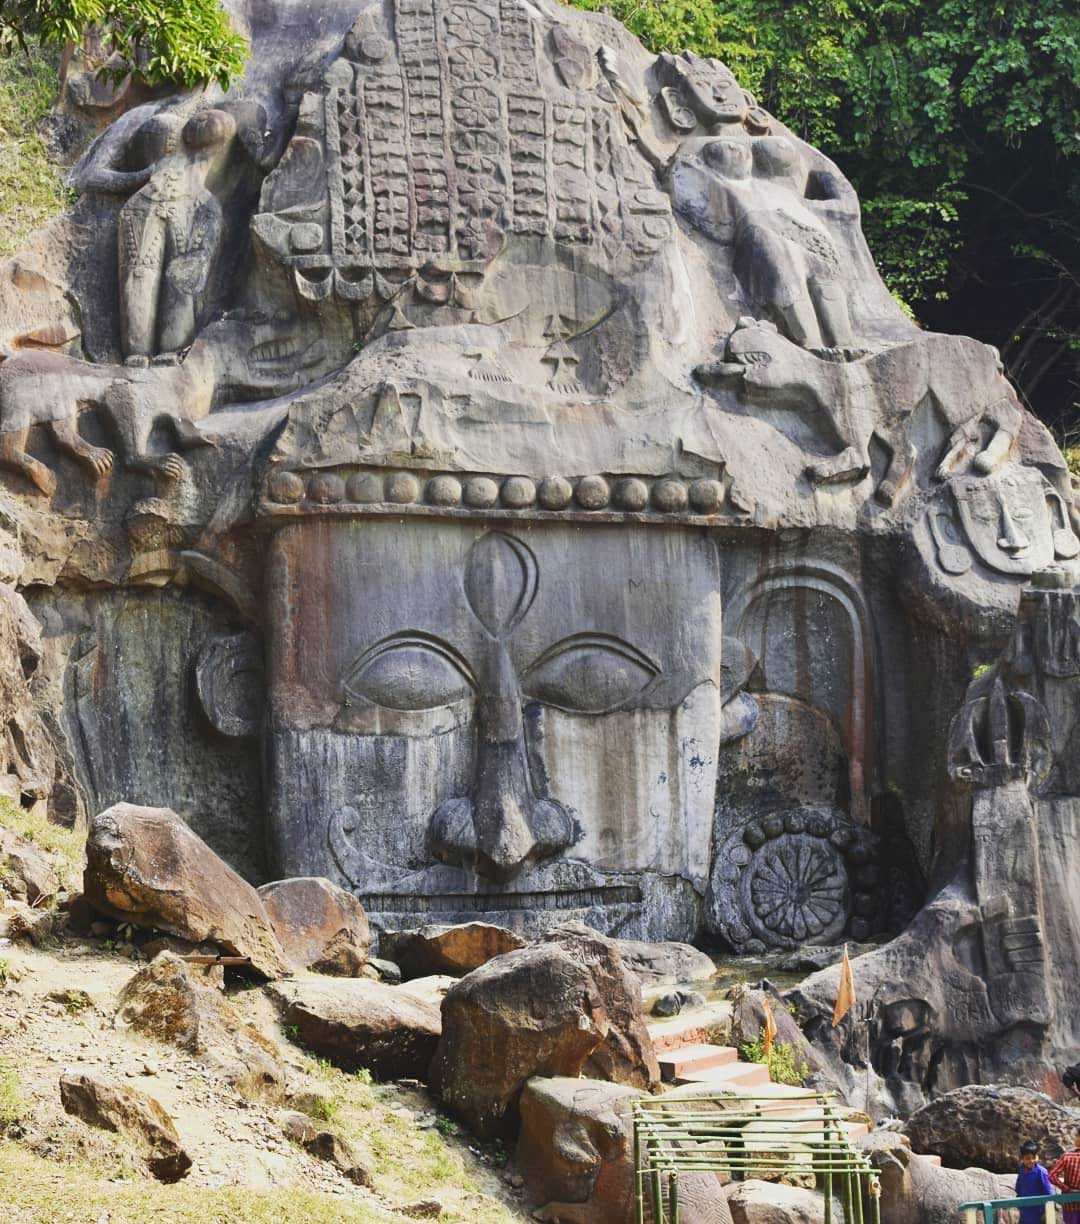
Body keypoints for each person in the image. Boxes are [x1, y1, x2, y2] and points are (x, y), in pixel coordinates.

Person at [1016, 1140, 1054, 1224]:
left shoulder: (1041, 1172)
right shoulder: (1021, 1170)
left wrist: (1046, 1212)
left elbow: (1049, 1192)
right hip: (1024, 1212)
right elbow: (1018, 1188)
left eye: (1033, 1158)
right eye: (1028, 1158)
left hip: (1038, 1212)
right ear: (1022, 1159)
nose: (1031, 1161)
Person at [1050, 1129, 1080, 1221]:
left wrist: (1067, 1189)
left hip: (1070, 1204)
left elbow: (1052, 1176)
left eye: (1077, 1136)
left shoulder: (1068, 1157)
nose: (1075, 1138)